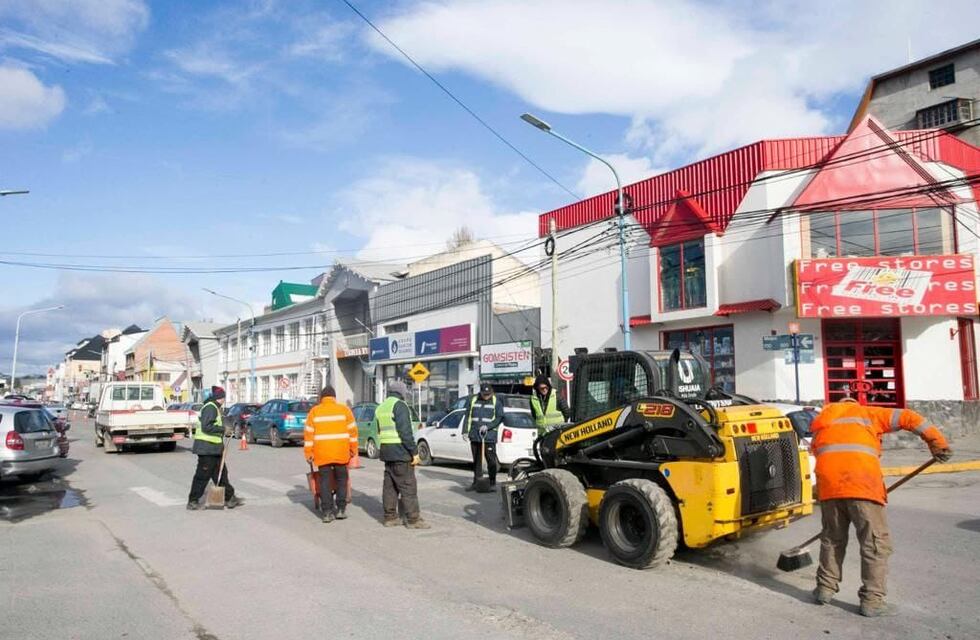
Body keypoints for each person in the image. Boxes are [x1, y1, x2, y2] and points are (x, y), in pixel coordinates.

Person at [810, 385, 952, 617]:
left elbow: (823, 454)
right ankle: (872, 600)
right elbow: (910, 417)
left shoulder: (821, 422)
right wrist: (937, 443)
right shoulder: (868, 414)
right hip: (862, 485)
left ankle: (824, 589)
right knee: (875, 543)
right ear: (854, 402)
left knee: (833, 539)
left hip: (830, 488)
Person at [376, 379, 429, 529]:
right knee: (408, 486)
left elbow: (379, 431)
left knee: (390, 487)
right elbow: (405, 432)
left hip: (387, 452)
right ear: (402, 392)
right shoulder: (400, 406)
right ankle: (413, 519)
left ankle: (390, 517)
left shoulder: (381, 407)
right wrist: (414, 452)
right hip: (400, 452)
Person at [304, 385, 358, 523]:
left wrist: (308, 453)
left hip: (322, 454)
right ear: (334, 397)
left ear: (322, 398)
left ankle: (327, 512)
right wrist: (353, 450)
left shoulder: (314, 412)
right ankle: (340, 509)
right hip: (341, 453)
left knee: (325, 482)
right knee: (341, 480)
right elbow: (353, 433)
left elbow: (309, 435)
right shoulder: (344, 410)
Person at [187, 386, 242, 510]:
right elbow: (207, 426)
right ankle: (193, 500)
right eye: (223, 397)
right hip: (207, 448)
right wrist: (223, 429)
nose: (224, 400)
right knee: (202, 476)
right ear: (220, 398)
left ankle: (230, 497)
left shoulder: (213, 407)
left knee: (221, 473)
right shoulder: (210, 407)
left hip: (214, 448)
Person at [465, 383, 505, 491]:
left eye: (488, 394)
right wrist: (465, 431)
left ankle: (492, 483)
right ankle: (476, 482)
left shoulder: (496, 401)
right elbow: (468, 416)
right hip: (475, 435)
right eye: (484, 394)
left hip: (489, 436)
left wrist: (488, 426)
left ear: (491, 392)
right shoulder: (473, 400)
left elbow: (500, 417)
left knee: (491, 461)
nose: (486, 396)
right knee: (477, 461)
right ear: (481, 392)